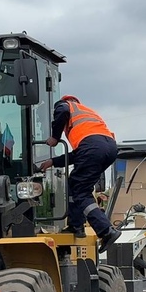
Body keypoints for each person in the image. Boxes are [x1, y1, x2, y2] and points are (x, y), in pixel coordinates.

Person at [38, 95, 121, 253]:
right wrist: (53, 162)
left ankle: (106, 230)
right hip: (109, 147)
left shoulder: (65, 106)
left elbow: (61, 111)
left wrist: (55, 137)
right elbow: (80, 155)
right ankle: (77, 225)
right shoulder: (88, 113)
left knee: (80, 191)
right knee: (76, 185)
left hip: (93, 148)